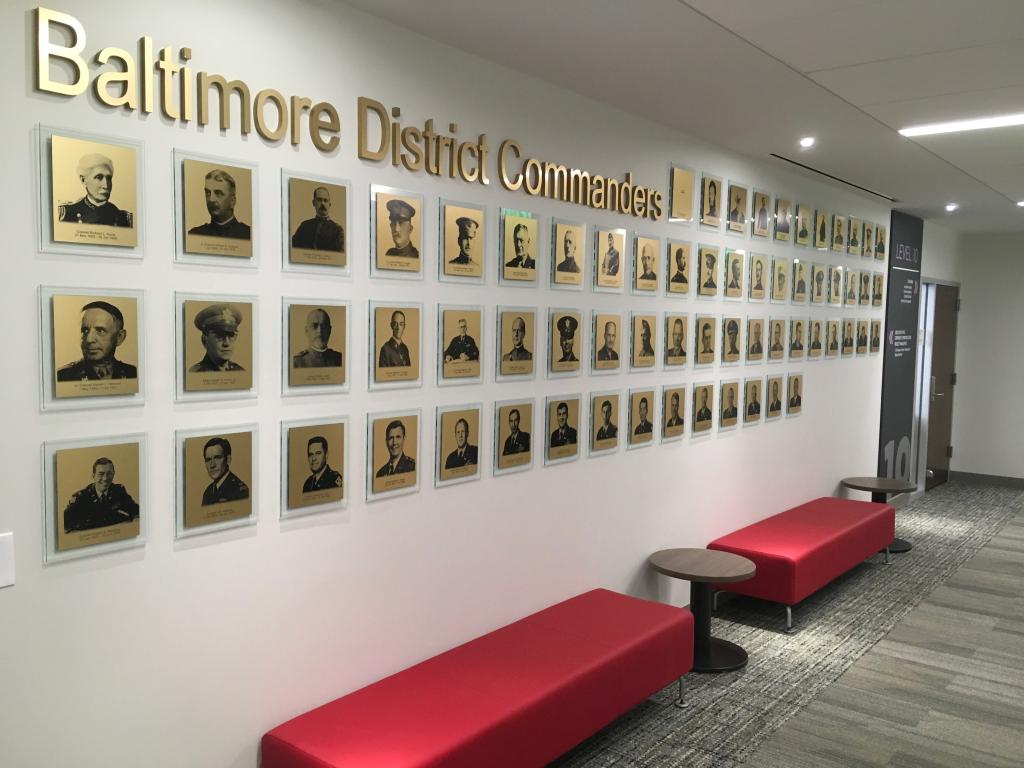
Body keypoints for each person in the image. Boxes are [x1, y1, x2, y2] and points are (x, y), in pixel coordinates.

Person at [57, 300, 137, 381]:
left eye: (100, 330)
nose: (89, 339)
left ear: (119, 337)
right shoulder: (63, 376)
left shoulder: (132, 373)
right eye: (85, 330)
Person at [63, 456, 139, 532]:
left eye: (109, 473)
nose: (105, 478)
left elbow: (135, 510)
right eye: (101, 474)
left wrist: (135, 521)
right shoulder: (81, 497)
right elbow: (65, 525)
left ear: (113, 474)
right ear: (93, 476)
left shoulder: (118, 491)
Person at [59, 153, 133, 227]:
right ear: (83, 180)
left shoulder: (124, 218)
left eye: (108, 178)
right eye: (98, 177)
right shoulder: (65, 214)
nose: (106, 185)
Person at [189, 169, 250, 239]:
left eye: (218, 193)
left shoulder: (248, 234)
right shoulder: (195, 234)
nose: (211, 199)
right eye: (208, 193)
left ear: (232, 201)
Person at [189, 304, 245, 373]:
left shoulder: (239, 371)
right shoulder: (195, 373)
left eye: (231, 336)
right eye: (219, 336)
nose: (227, 343)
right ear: (204, 340)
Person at [291, 186, 344, 252]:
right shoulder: (304, 226)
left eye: (325, 200)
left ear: (329, 204)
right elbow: (293, 250)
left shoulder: (337, 230)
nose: (323, 203)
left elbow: (339, 255)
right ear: (313, 203)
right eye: (319, 200)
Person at [201, 437, 250, 505]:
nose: (212, 465)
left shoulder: (240, 491)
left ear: (228, 460)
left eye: (217, 458)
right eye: (208, 460)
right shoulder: (208, 492)